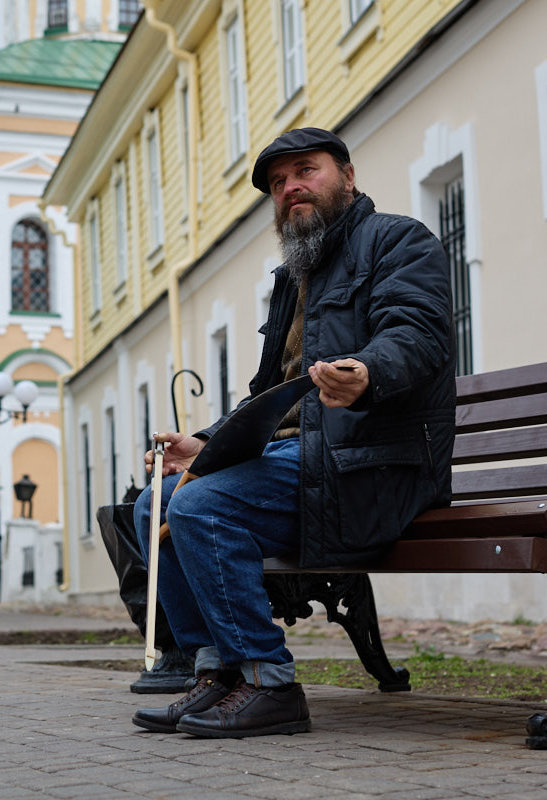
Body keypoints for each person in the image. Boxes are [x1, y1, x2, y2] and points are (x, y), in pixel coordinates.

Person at [131, 128, 455, 738]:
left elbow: (418, 333)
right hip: (302, 459)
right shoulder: (293, 278)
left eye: (306, 171)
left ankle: (269, 682)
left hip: (373, 464)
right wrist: (210, 443)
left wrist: (367, 372)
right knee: (157, 502)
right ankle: (217, 675)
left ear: (348, 176)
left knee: (200, 504)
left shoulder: (398, 241)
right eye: (279, 183)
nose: (291, 188)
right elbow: (268, 398)